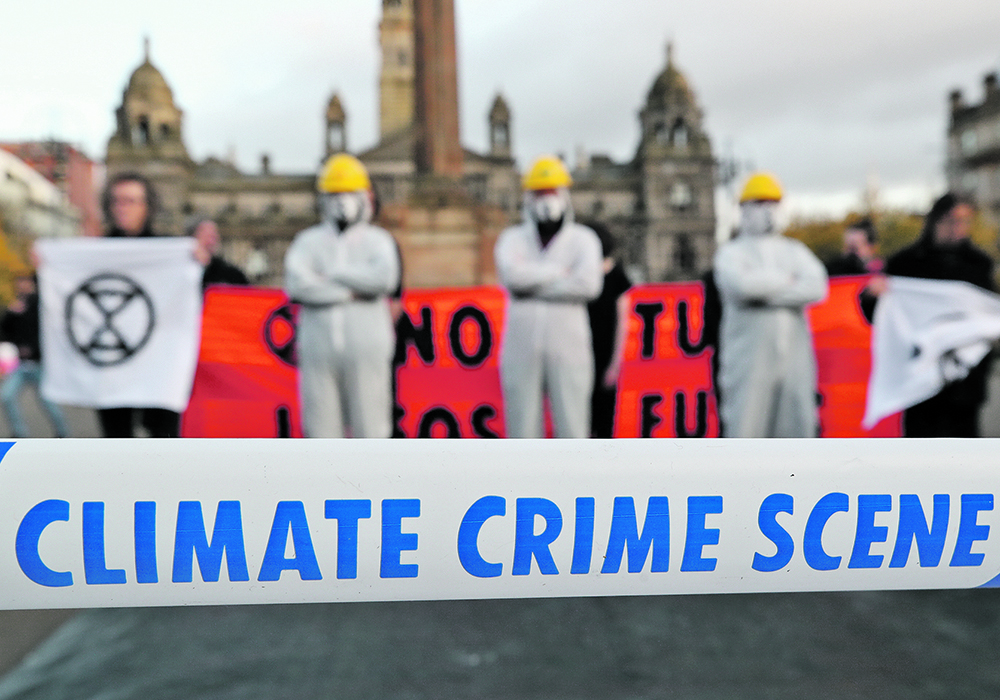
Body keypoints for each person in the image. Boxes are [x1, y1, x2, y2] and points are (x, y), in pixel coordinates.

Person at [284, 153, 400, 438]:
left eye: (349, 193)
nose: (342, 201)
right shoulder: (307, 241)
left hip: (368, 350)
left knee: (371, 428)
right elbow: (298, 285)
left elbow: (384, 278)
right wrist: (352, 292)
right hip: (317, 352)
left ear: (365, 196)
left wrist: (331, 275)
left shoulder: (379, 241)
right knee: (321, 430)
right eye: (334, 194)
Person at [866, 193, 995, 436]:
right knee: (921, 450)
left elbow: (987, 316)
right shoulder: (905, 264)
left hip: (965, 379)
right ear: (935, 220)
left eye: (965, 221)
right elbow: (882, 318)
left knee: (963, 454)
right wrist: (872, 297)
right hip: (918, 377)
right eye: (952, 220)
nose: (958, 228)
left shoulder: (980, 265)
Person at [495, 156, 603, 438]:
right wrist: (558, 273)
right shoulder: (512, 239)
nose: (546, 199)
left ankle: (575, 483)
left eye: (552, 192)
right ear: (528, 197)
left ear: (565, 195)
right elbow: (512, 277)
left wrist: (532, 287)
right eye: (539, 192)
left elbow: (588, 285)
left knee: (573, 425)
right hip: (521, 347)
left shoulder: (584, 239)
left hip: (569, 348)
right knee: (522, 428)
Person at [713, 172, 828, 438]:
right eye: (760, 203)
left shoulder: (794, 250)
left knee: (796, 427)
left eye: (773, 204)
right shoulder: (731, 253)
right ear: (743, 208)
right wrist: (789, 282)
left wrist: (764, 294)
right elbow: (742, 287)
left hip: (794, 361)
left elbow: (816, 287)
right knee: (746, 427)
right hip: (747, 361)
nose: (767, 211)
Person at [96, 172, 201, 438]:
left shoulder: (170, 250)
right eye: (117, 201)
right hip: (113, 365)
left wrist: (201, 264)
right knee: (117, 441)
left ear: (148, 206)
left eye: (131, 200)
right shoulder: (94, 252)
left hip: (159, 363)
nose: (123, 207)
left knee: (163, 439)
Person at [0, 272, 70, 438]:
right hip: (20, 365)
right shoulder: (14, 307)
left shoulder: (41, 304)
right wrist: (11, 314)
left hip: (40, 364)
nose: (21, 285)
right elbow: (4, 333)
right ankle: (20, 433)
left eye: (24, 281)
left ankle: (63, 434)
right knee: (6, 396)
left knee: (48, 402)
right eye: (19, 281)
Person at [583, 221, 631, 438]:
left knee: (601, 422)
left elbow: (622, 322)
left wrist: (614, 364)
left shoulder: (615, 275)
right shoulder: (584, 275)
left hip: (601, 354)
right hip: (584, 354)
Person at [187, 217, 249, 290]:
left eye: (213, 237)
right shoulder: (182, 269)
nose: (211, 242)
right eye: (207, 236)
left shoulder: (230, 274)